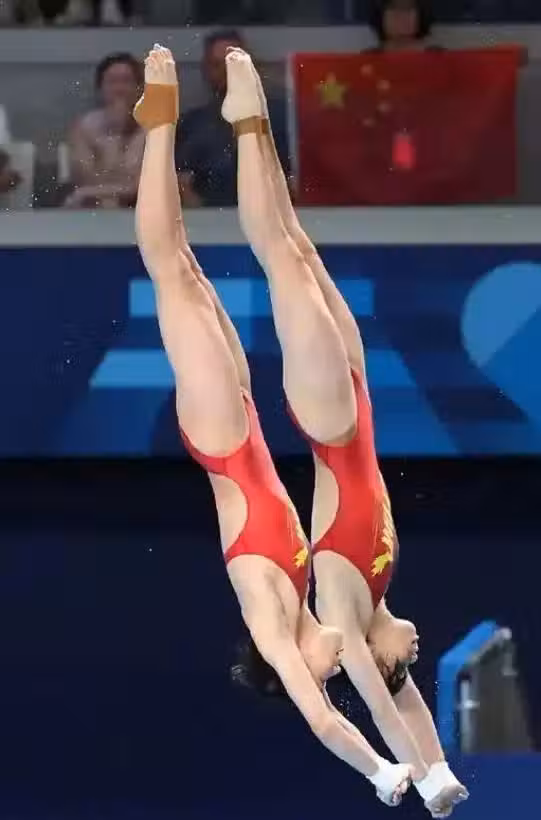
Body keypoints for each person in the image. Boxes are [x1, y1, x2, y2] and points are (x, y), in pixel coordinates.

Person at [132, 43, 413, 806]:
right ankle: (221, 124)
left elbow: (320, 719)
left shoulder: (272, 622)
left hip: (223, 446)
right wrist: (423, 769)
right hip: (245, 428)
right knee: (197, 274)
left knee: (173, 273)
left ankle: (160, 125)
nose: (335, 673)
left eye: (326, 677)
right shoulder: (308, 596)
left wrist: (383, 774)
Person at [223, 48, 469, 817]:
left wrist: (416, 780)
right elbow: (415, 705)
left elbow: (383, 700)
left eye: (406, 665)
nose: (416, 656)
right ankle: (256, 126)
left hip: (330, 421)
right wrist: (441, 769)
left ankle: (244, 125)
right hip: (357, 405)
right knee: (296, 244)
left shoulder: (343, 610)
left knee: (279, 260)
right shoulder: (381, 593)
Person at [175, 30, 289, 207]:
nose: (227, 72)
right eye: (218, 65)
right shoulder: (191, 124)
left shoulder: (281, 118)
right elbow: (180, 179)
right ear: (206, 71)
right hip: (210, 216)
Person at [64, 52, 144, 208]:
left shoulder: (154, 128)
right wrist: (114, 133)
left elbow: (141, 186)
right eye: (112, 82)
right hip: (94, 207)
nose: (119, 89)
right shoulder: (83, 127)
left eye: (127, 81)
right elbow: (84, 179)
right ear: (100, 89)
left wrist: (123, 131)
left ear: (139, 88)